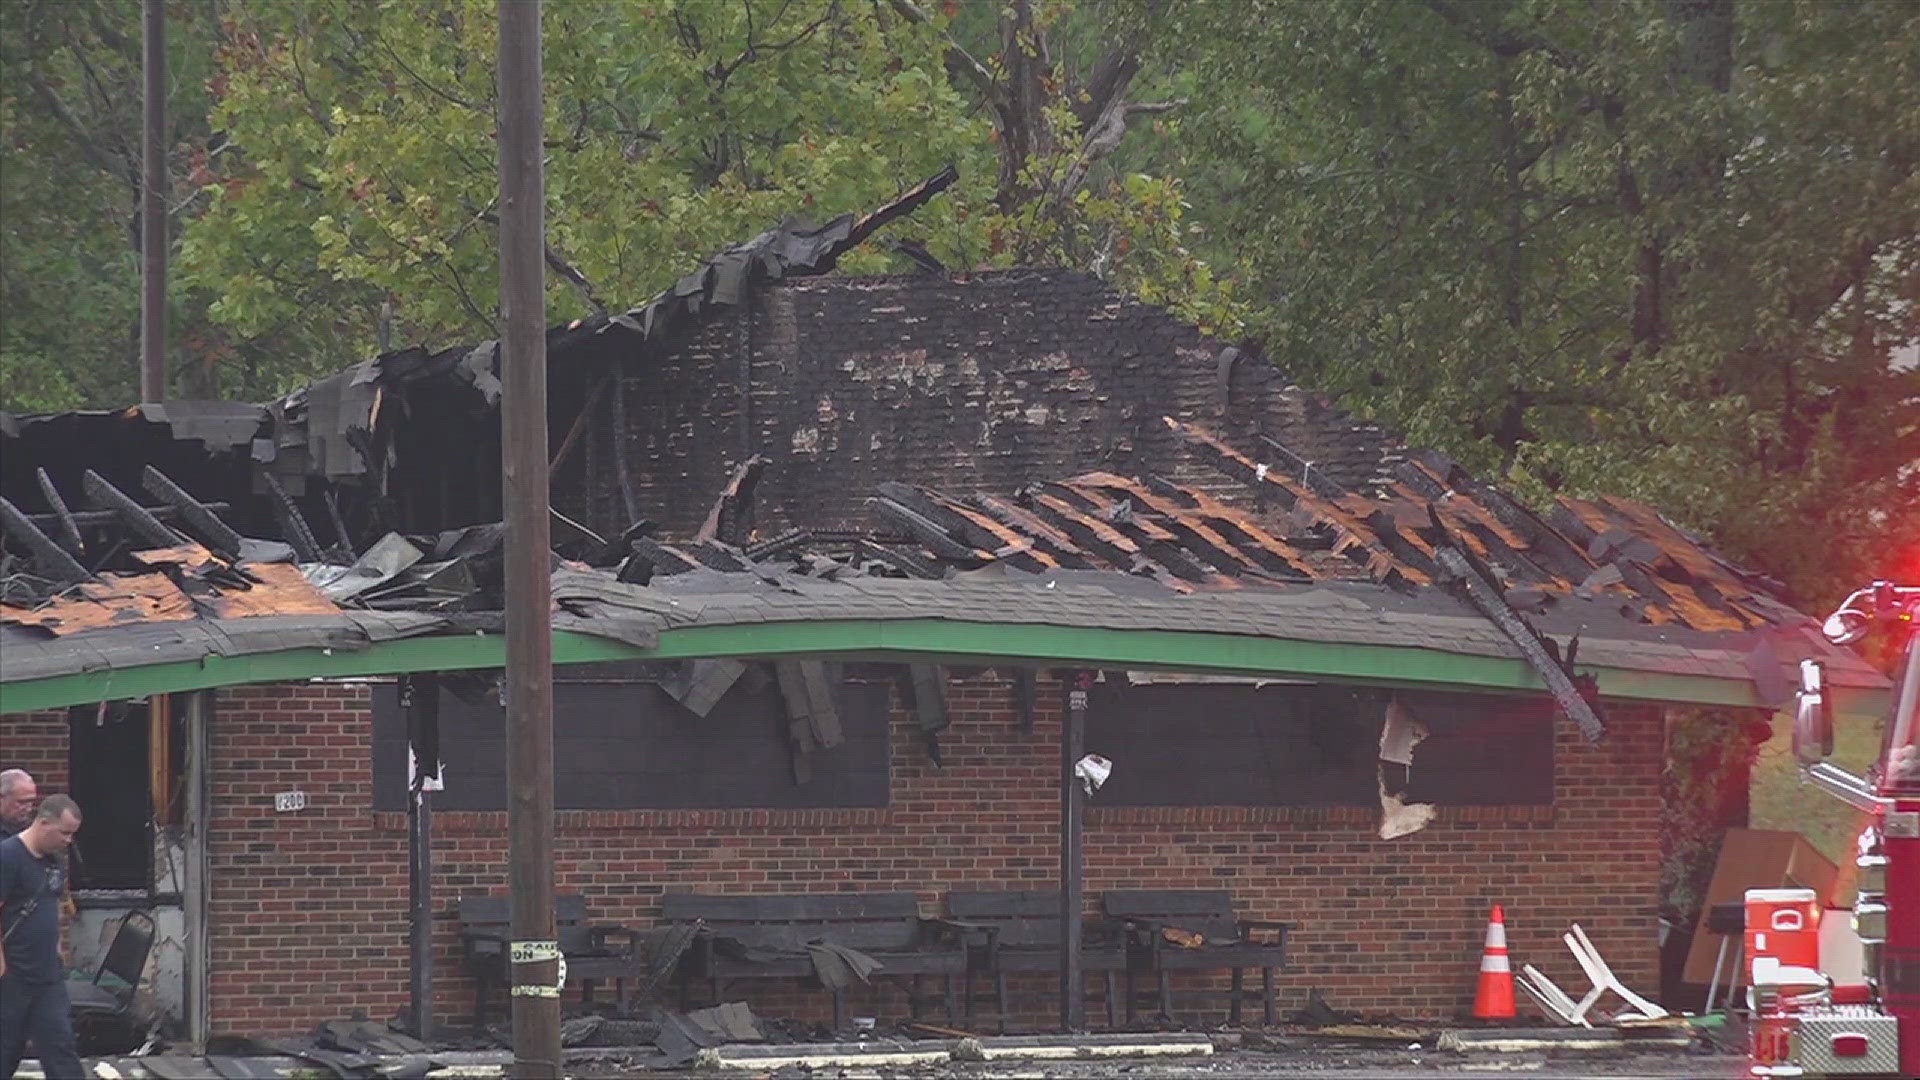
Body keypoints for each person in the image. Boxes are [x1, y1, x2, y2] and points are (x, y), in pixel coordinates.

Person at [1, 795, 84, 1080]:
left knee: (61, 1048)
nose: (68, 840)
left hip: (47, 975)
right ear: (44, 823)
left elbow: (51, 906)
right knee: (6, 1050)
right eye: (64, 832)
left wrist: (57, 948)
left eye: (72, 834)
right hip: (12, 975)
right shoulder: (8, 856)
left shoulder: (54, 862)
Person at [0, 771, 35, 838]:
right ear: (1, 797)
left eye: (31, 801)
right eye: (22, 802)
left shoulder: (31, 831)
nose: (28, 809)